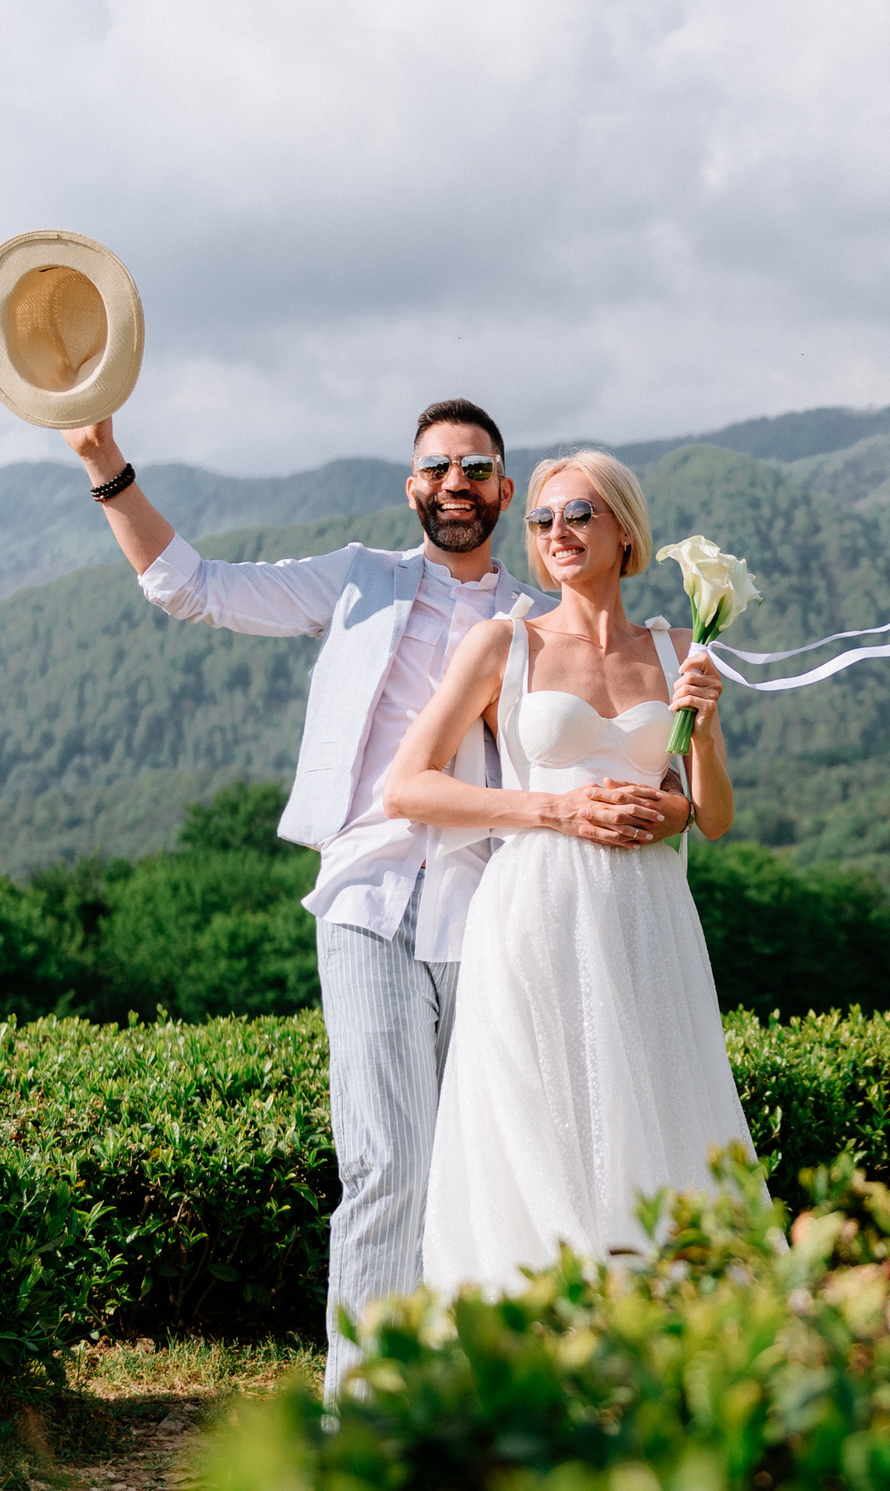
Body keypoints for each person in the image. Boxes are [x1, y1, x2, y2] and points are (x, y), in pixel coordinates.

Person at [59, 406, 691, 1394]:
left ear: (505, 491)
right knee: (387, 1163)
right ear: (412, 488)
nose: (454, 483)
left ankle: (458, 1396)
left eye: (475, 468)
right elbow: (191, 587)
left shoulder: (535, 621)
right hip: (367, 898)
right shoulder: (358, 579)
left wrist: (668, 799)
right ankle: (357, 1412)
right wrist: (106, 464)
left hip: (494, 910)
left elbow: (621, 756)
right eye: (435, 467)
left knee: (485, 1164)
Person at [382, 449, 757, 1293]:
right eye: (543, 519)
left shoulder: (677, 648)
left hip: (649, 912)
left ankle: (661, 1322)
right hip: (537, 907)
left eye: (580, 514)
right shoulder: (503, 643)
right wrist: (553, 810)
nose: (558, 532)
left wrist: (700, 735)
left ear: (626, 531)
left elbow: (715, 817)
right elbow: (408, 786)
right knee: (544, 1116)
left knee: (656, 1105)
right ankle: (548, 1320)